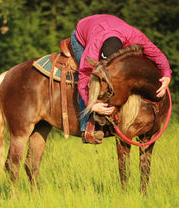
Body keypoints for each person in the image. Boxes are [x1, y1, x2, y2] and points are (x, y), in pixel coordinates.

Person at [70, 14, 172, 142]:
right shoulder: (93, 48)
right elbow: (83, 76)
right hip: (82, 32)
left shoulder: (135, 37)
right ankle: (86, 128)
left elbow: (158, 55)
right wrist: (92, 106)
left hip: (111, 26)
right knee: (92, 77)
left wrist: (167, 75)